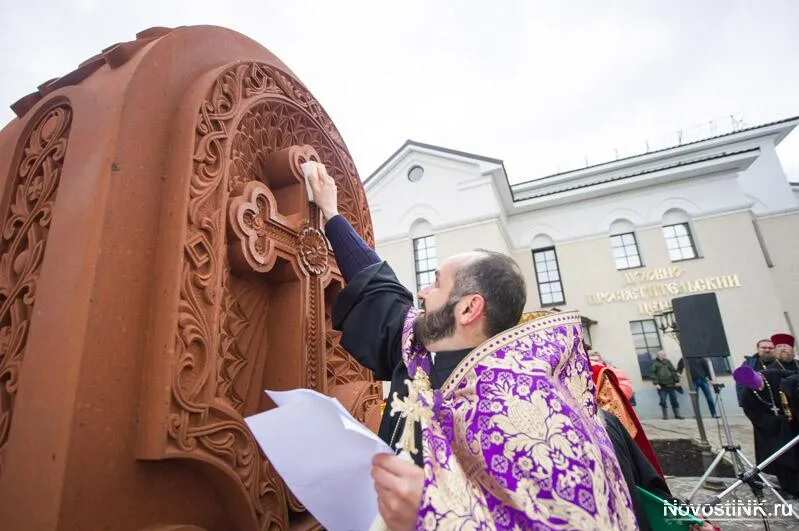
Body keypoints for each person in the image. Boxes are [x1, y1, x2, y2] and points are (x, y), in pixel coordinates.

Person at [307, 164, 638, 531]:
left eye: (436, 284)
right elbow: (383, 294)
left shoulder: (534, 418)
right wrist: (332, 214)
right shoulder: (421, 354)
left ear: (468, 309)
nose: (422, 293)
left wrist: (431, 515)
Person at [736, 339, 775, 406]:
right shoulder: (749, 364)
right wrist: (743, 403)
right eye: (764, 348)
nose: (767, 350)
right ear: (758, 349)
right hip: (757, 403)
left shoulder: (780, 362)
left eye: (770, 348)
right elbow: (741, 384)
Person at [650, 351, 683, 419]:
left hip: (671, 384)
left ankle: (677, 415)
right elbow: (653, 373)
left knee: (674, 400)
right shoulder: (655, 363)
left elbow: (673, 371)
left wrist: (677, 381)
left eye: (664, 354)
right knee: (663, 401)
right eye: (662, 354)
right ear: (658, 355)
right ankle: (665, 416)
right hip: (662, 386)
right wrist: (656, 383)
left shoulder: (668, 361)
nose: (664, 355)